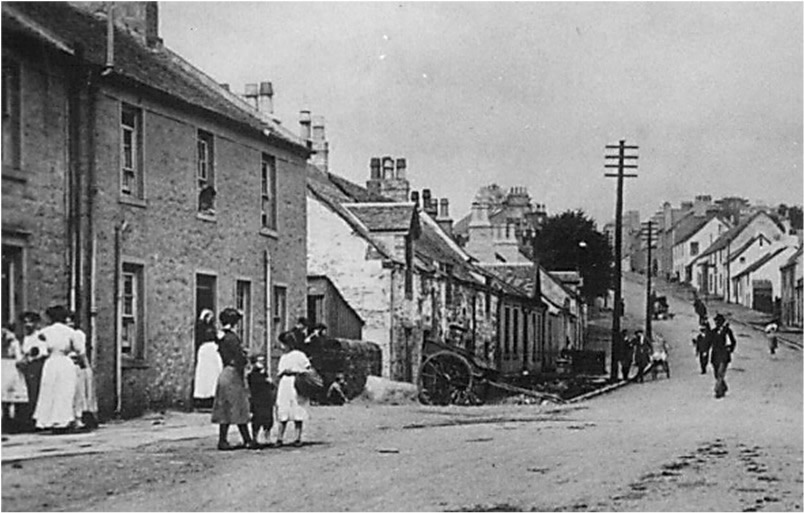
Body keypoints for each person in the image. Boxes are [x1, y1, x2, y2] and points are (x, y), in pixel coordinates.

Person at [211, 308, 256, 450]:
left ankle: (223, 440)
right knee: (239, 406)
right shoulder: (232, 338)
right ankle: (247, 440)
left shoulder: (222, 336)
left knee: (226, 408)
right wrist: (245, 358)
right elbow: (239, 357)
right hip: (233, 374)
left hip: (225, 373)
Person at [34, 305, 82, 432]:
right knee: (64, 391)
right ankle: (62, 421)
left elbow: (41, 351)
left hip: (51, 362)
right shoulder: (70, 332)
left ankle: (45, 421)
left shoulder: (45, 332)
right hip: (65, 362)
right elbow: (79, 349)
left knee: (49, 390)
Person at [275, 331, 312, 447]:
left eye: (283, 344)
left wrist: (296, 371)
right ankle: (279, 437)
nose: (282, 347)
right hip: (285, 384)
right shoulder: (283, 357)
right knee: (283, 409)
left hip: (297, 382)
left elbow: (308, 369)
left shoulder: (299, 355)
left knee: (297, 409)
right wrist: (282, 373)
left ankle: (297, 437)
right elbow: (279, 372)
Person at [66, 312, 98, 430]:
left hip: (76, 367)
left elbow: (81, 353)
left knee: (80, 394)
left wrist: (86, 367)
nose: (69, 324)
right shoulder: (64, 334)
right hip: (65, 367)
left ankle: (81, 418)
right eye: (66, 322)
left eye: (71, 321)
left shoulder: (77, 334)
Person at [18, 311, 46, 431]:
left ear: (36, 323)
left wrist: (31, 358)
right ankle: (26, 419)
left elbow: (43, 351)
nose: (27, 325)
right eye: (25, 322)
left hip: (36, 366)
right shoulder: (23, 337)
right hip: (25, 368)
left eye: (30, 322)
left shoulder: (39, 336)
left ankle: (37, 420)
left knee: (35, 391)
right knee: (26, 392)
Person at [193, 309, 222, 410]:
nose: (210, 319)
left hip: (213, 350)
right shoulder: (201, 328)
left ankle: (212, 395)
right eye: (208, 316)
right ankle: (202, 396)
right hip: (205, 350)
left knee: (214, 372)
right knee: (204, 373)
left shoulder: (213, 327)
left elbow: (217, 337)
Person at [2, 326, 29, 432]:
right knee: (10, 397)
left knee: (6, 396)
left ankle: (7, 420)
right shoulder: (14, 342)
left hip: (5, 367)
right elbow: (18, 358)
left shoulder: (13, 341)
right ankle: (10, 421)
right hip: (9, 367)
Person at [246, 354, 275, 447]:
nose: (262, 363)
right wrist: (265, 381)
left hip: (266, 399)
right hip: (257, 399)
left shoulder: (264, 373)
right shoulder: (252, 374)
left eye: (263, 361)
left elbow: (271, 386)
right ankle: (255, 437)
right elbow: (253, 385)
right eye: (259, 361)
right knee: (257, 419)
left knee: (268, 418)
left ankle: (267, 437)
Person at [711, 313, 737, 399]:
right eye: (716, 322)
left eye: (718, 322)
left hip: (724, 355)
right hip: (715, 356)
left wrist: (730, 349)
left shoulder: (727, 331)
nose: (716, 323)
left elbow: (733, 342)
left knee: (720, 373)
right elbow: (708, 341)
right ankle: (724, 387)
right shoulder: (713, 331)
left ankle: (718, 391)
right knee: (716, 374)